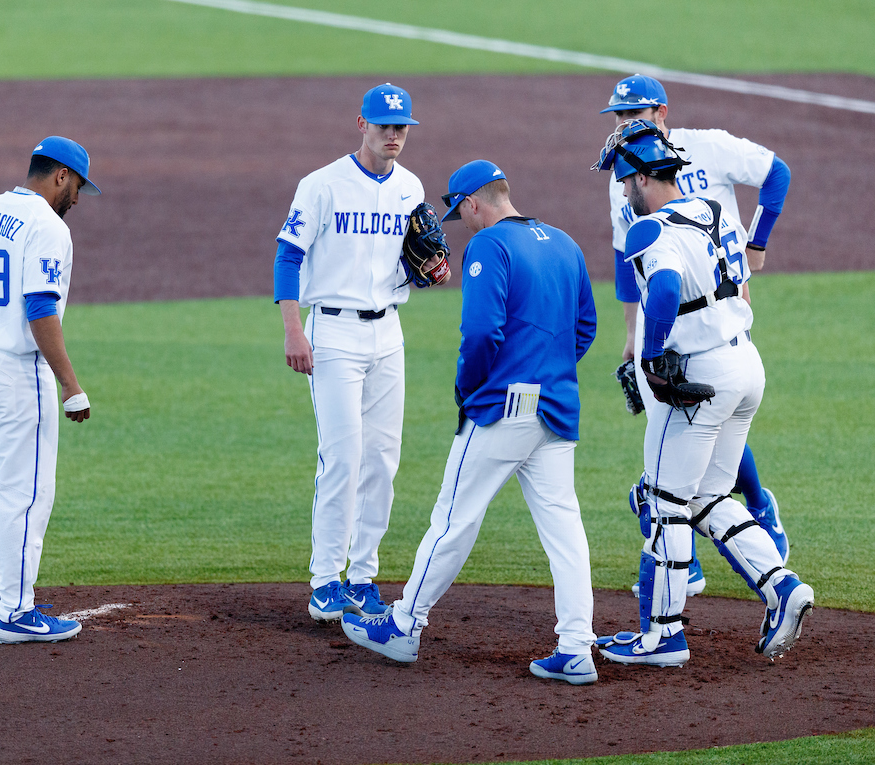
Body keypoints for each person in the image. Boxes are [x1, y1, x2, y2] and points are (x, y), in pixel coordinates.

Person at [341, 161, 601, 685]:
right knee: (565, 530)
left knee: (453, 518)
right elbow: (585, 329)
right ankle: (575, 647)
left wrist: (470, 386)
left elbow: (482, 332)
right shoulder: (566, 244)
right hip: (558, 410)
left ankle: (404, 624)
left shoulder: (490, 247)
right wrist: (546, 370)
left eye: (462, 213)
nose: (464, 224)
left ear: (474, 203)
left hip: (502, 409)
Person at [592, 122, 813, 666]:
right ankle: (782, 587)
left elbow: (664, 288)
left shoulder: (649, 232)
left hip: (701, 379)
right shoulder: (712, 211)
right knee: (707, 498)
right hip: (745, 366)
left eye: (625, 182)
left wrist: (652, 353)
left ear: (644, 177)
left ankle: (663, 635)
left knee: (666, 504)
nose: (622, 192)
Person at [274, 83, 449, 623]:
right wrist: (292, 331)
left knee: (382, 461)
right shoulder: (322, 185)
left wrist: (431, 270)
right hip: (332, 333)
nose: (394, 136)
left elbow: (418, 255)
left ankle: (363, 577)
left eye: (401, 128)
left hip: (388, 333)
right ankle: (325, 579)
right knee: (343, 456)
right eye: (384, 127)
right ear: (361, 124)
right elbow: (288, 256)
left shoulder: (411, 186)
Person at [0, 137, 95, 644]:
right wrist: (71, 384)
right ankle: (17, 612)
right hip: (16, 370)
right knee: (26, 493)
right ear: (59, 177)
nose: (76, 199)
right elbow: (39, 308)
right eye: (75, 187)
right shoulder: (47, 227)